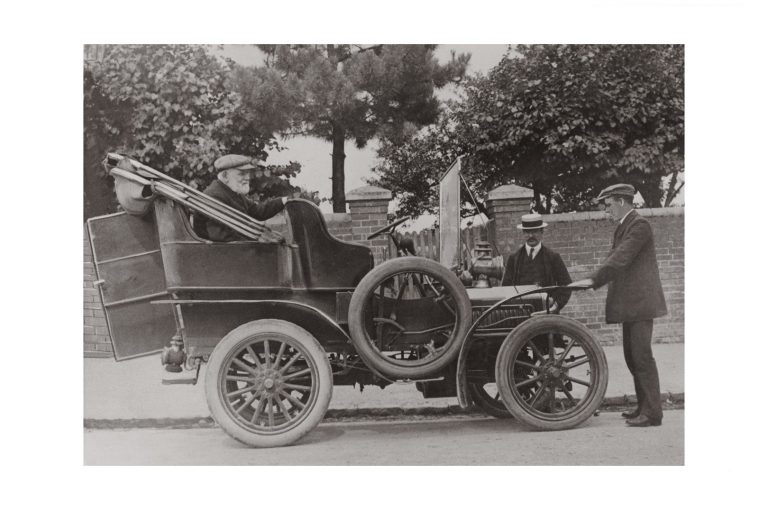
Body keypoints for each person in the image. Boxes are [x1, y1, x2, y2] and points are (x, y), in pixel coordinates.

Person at [572, 184, 668, 427]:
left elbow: (620, 258)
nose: (606, 210)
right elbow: (612, 259)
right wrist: (591, 279)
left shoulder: (639, 225)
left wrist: (594, 280)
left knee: (642, 357)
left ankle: (653, 413)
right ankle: (643, 407)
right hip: (632, 305)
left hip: (641, 304)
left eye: (608, 204)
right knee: (631, 356)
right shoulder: (624, 227)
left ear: (621, 202)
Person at [194, 154, 288, 242]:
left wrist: (283, 201)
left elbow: (258, 212)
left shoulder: (232, 191)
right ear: (225, 175)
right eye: (242, 174)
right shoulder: (214, 195)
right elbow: (220, 236)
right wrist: (258, 241)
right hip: (217, 254)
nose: (247, 178)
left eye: (247, 173)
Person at [501, 213, 572, 311]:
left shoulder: (553, 257)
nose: (531, 236)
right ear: (523, 233)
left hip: (546, 313)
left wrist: (556, 304)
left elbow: (566, 285)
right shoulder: (514, 259)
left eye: (534, 231)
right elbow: (506, 288)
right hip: (520, 314)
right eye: (527, 232)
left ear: (542, 232)